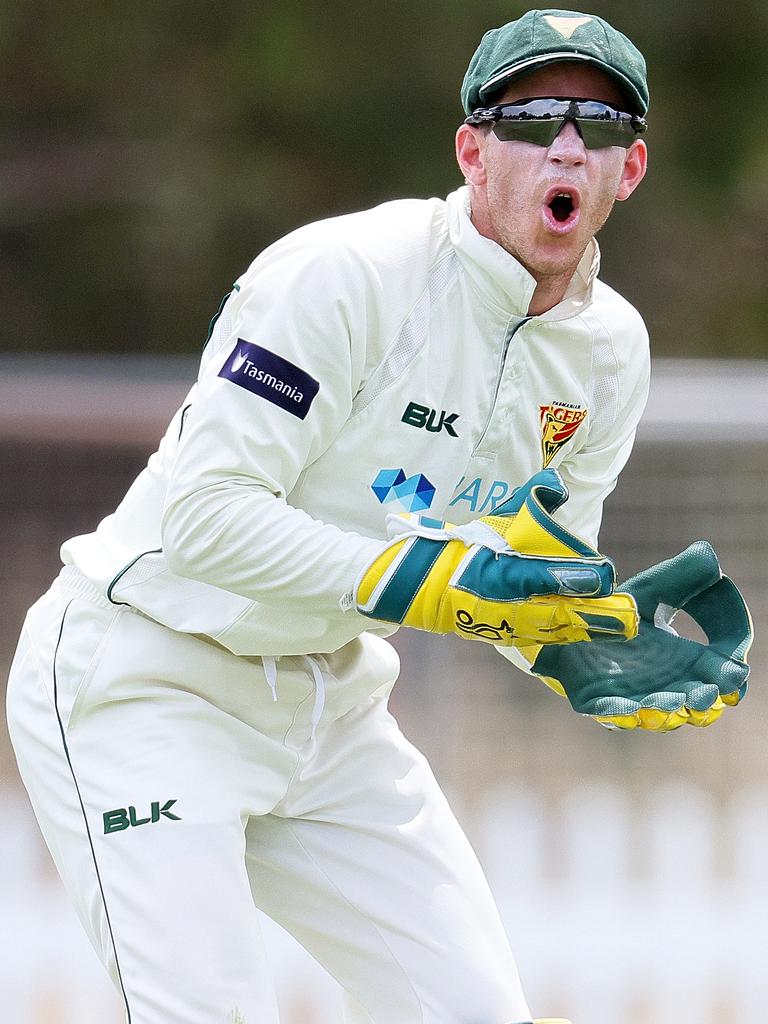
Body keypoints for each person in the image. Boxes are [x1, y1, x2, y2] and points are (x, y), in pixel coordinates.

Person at [5, 9, 752, 1024]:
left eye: (601, 122)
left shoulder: (609, 351)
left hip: (335, 704)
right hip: (148, 677)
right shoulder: (346, 274)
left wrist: (575, 641)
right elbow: (206, 519)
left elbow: (527, 567)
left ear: (632, 168)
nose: (566, 143)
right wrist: (438, 586)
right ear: (472, 150)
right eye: (532, 117)